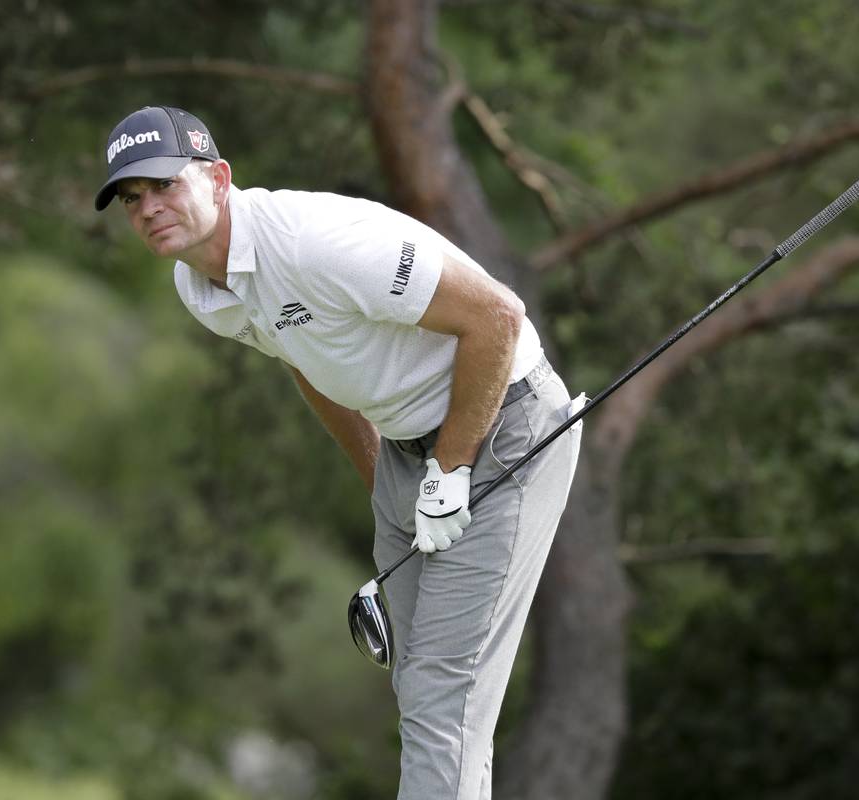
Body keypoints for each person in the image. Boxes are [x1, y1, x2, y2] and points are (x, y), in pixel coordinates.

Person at [94, 105, 586, 800]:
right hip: (412, 458)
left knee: (441, 689)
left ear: (219, 177)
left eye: (164, 186)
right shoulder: (199, 286)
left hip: (505, 429)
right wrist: (388, 487)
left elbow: (497, 316)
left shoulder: (316, 243)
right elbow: (307, 358)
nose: (148, 209)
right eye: (131, 199)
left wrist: (450, 470)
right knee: (425, 690)